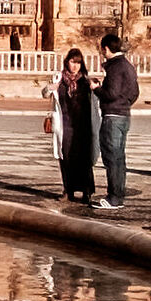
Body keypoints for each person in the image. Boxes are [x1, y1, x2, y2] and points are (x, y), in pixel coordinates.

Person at [50, 48, 100, 205]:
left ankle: (87, 191)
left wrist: (97, 87)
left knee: (84, 158)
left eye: (78, 63)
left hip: (83, 125)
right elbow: (45, 92)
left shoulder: (85, 81)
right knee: (66, 157)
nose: (75, 66)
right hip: (65, 124)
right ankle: (68, 189)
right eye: (72, 62)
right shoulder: (59, 79)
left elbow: (96, 99)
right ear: (67, 62)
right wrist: (51, 87)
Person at [96, 32, 138, 210]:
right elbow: (135, 93)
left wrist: (97, 88)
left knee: (112, 157)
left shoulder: (115, 67)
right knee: (119, 157)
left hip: (112, 116)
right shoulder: (128, 65)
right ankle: (118, 195)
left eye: (102, 50)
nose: (102, 53)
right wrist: (125, 104)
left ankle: (114, 197)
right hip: (124, 116)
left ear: (106, 48)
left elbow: (111, 94)